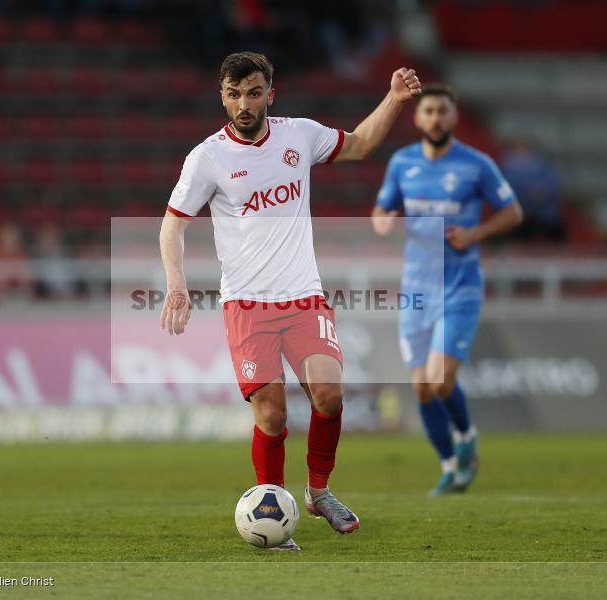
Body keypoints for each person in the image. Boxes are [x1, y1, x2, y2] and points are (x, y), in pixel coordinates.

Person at [159, 51, 421, 551]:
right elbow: (173, 225)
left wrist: (393, 98)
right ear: (222, 95)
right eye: (234, 94)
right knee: (273, 416)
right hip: (247, 306)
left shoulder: (297, 134)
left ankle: (319, 491)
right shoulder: (207, 158)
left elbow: (361, 144)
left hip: (304, 296)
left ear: (269, 94)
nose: (243, 104)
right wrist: (176, 284)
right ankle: (273, 507)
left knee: (329, 394)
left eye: (253, 93)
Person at [371, 84, 523, 496]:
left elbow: (513, 212)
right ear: (417, 118)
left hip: (459, 287)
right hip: (415, 289)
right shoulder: (403, 163)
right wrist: (383, 221)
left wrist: (475, 233)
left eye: (442, 111)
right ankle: (450, 465)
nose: (436, 118)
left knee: (439, 380)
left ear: (453, 117)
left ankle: (467, 434)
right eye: (429, 111)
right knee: (421, 386)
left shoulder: (476, 165)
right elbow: (382, 210)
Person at [500, 136, 563, 243]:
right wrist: (528, 194)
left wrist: (543, 192)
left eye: (524, 146)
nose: (522, 149)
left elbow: (553, 184)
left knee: (554, 226)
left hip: (544, 211)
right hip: (520, 210)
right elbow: (506, 189)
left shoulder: (542, 165)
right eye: (518, 146)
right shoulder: (507, 167)